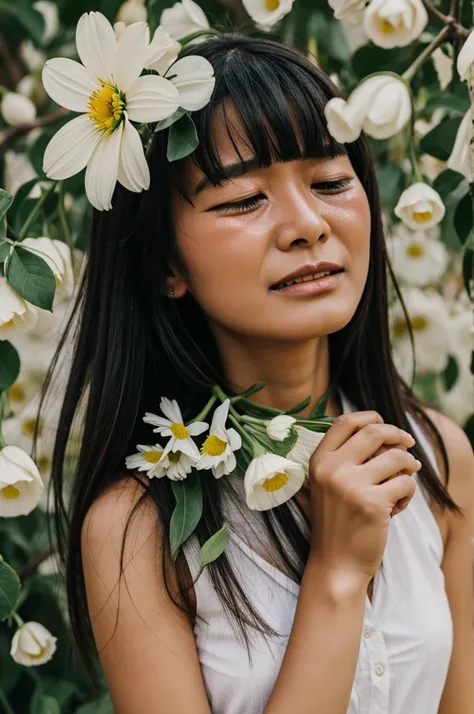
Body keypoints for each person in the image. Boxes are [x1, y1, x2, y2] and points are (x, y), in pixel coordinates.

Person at [45, 32, 474, 714]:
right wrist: (336, 574)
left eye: (332, 182)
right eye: (244, 199)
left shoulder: (436, 455)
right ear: (165, 264)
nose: (307, 225)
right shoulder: (138, 526)